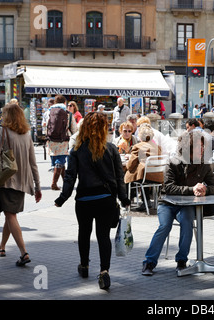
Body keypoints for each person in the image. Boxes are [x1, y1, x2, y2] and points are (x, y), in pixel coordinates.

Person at [54, 112, 131, 290]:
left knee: (84, 232)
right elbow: (120, 177)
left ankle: (84, 266)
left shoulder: (76, 150)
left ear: (85, 128)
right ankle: (104, 272)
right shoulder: (111, 149)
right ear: (104, 128)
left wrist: (62, 198)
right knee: (103, 236)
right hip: (106, 200)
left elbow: (70, 177)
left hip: (84, 200)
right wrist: (124, 198)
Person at [142, 130, 214, 276]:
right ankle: (149, 262)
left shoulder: (203, 164)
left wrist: (205, 189)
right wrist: (192, 189)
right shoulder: (174, 162)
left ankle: (181, 261)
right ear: (189, 147)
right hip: (167, 203)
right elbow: (169, 187)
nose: (202, 149)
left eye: (203, 146)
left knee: (187, 222)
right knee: (164, 226)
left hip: (187, 205)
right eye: (199, 146)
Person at [0, 103, 42, 267]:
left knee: (10, 215)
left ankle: (23, 253)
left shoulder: (2, 131)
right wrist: (37, 186)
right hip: (23, 182)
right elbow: (34, 163)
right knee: (10, 215)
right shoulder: (27, 134)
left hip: (6, 180)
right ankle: (2, 247)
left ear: (7, 116)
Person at [124, 124, 163, 212]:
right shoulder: (157, 147)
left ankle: (126, 202)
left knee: (128, 175)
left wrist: (128, 162)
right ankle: (147, 201)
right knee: (142, 173)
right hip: (158, 176)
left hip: (145, 177)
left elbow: (130, 165)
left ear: (140, 136)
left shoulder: (138, 146)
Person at [46, 95, 78, 190]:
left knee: (59, 162)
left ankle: (65, 183)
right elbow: (74, 129)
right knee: (60, 161)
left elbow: (45, 125)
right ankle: (54, 183)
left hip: (51, 140)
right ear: (65, 103)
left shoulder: (49, 112)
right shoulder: (68, 113)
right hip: (63, 140)